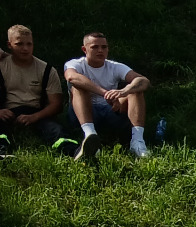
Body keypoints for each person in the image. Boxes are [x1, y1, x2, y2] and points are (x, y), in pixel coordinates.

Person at [65, 31, 151, 161]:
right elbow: (71, 77)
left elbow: (144, 81)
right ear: (85, 49)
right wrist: (106, 93)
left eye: (104, 47)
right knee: (79, 87)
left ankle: (137, 142)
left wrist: (124, 91)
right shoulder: (75, 64)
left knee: (135, 89)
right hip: (83, 113)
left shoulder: (115, 66)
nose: (100, 50)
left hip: (111, 110)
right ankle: (90, 136)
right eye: (95, 47)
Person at [0, 24, 65, 154]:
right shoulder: (1, 65)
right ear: (9, 45)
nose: (25, 48)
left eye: (29, 44)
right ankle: (2, 151)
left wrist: (34, 117)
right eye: (19, 44)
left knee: (55, 130)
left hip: (36, 112)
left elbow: (56, 105)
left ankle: (74, 151)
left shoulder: (47, 70)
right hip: (6, 111)